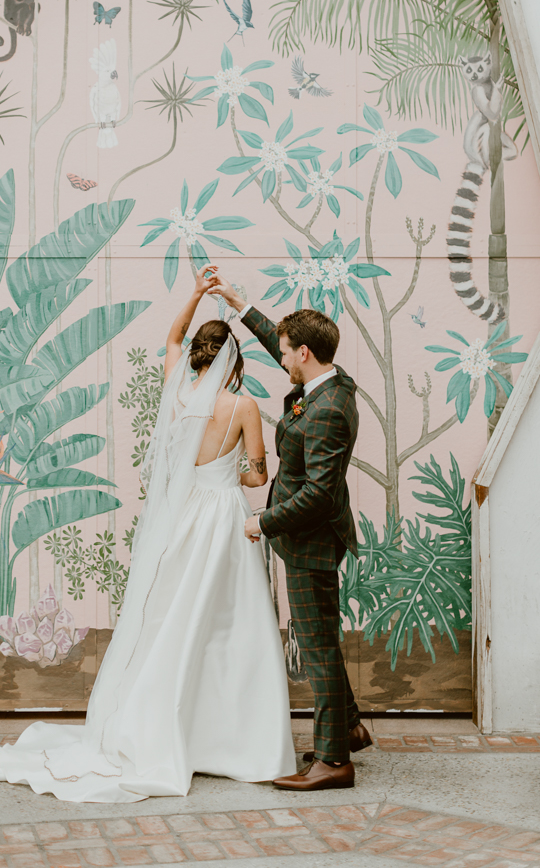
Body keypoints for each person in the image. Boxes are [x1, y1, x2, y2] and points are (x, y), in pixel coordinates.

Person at [0, 265, 295, 803]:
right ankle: (233, 740)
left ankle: (157, 723)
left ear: (196, 355)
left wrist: (196, 293)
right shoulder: (244, 407)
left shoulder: (176, 396)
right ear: (234, 363)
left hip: (179, 518)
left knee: (170, 619)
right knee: (230, 625)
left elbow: (171, 337)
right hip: (221, 518)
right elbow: (259, 474)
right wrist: (233, 474)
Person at [208, 272, 372, 792]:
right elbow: (275, 339)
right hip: (310, 537)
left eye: (284, 353)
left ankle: (333, 761)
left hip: (311, 541)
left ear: (304, 352)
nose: (279, 359)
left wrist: (263, 520)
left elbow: (320, 494)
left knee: (319, 645)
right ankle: (348, 727)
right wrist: (240, 304)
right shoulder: (326, 383)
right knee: (321, 636)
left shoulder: (325, 410)